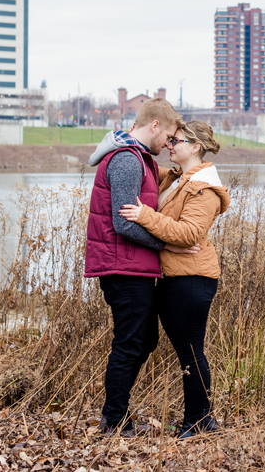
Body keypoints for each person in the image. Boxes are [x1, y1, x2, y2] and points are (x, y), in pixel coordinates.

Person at [84, 98, 198, 438]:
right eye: (170, 137)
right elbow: (123, 224)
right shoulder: (127, 161)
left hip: (132, 267)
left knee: (143, 339)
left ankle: (113, 413)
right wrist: (168, 244)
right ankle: (115, 419)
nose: (170, 144)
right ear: (155, 126)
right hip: (123, 269)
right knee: (130, 342)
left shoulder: (140, 159)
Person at [119, 120, 230, 438]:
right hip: (173, 276)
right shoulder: (176, 178)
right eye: (169, 141)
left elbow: (190, 233)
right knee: (151, 342)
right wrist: (134, 133)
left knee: (191, 351)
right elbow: (142, 162)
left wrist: (144, 216)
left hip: (194, 278)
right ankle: (200, 419)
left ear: (195, 146)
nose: (169, 145)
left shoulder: (204, 188)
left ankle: (198, 422)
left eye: (176, 141)